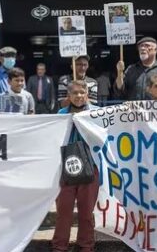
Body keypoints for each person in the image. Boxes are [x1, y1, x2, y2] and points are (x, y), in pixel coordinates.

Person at [53, 80, 98, 252]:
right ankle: (59, 247)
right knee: (64, 212)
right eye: (75, 93)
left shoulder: (97, 113)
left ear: (87, 94)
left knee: (86, 213)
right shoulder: (61, 114)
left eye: (82, 92)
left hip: (90, 166)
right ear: (69, 96)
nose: (79, 96)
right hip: (66, 168)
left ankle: (86, 247)